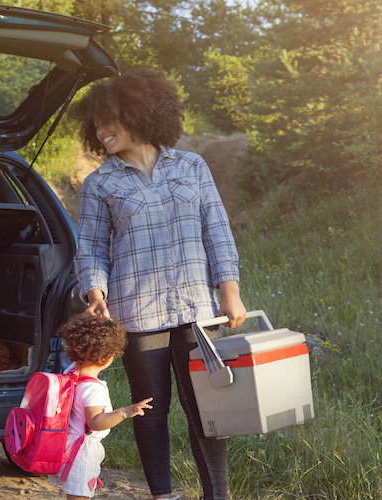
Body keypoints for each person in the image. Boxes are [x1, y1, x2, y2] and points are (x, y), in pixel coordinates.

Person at [71, 69, 248, 500]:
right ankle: (162, 496)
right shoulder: (100, 184)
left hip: (196, 310)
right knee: (151, 411)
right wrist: (95, 293)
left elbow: (217, 231)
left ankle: (216, 496)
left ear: (139, 113)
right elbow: (91, 248)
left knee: (207, 409)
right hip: (137, 312)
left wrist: (230, 291)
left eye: (109, 118)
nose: (101, 129)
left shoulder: (192, 166)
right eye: (95, 123)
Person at [49, 315, 154, 500]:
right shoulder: (93, 389)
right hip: (81, 450)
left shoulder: (70, 373)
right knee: (79, 496)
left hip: (63, 443)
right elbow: (96, 422)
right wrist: (124, 412)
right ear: (105, 360)